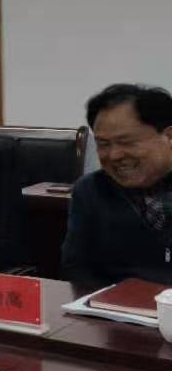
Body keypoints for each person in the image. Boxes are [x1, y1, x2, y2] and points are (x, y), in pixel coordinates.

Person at [62, 84, 172, 290]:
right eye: (103, 144)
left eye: (127, 142)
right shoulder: (91, 190)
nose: (114, 155)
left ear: (169, 136)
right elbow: (76, 266)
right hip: (114, 305)